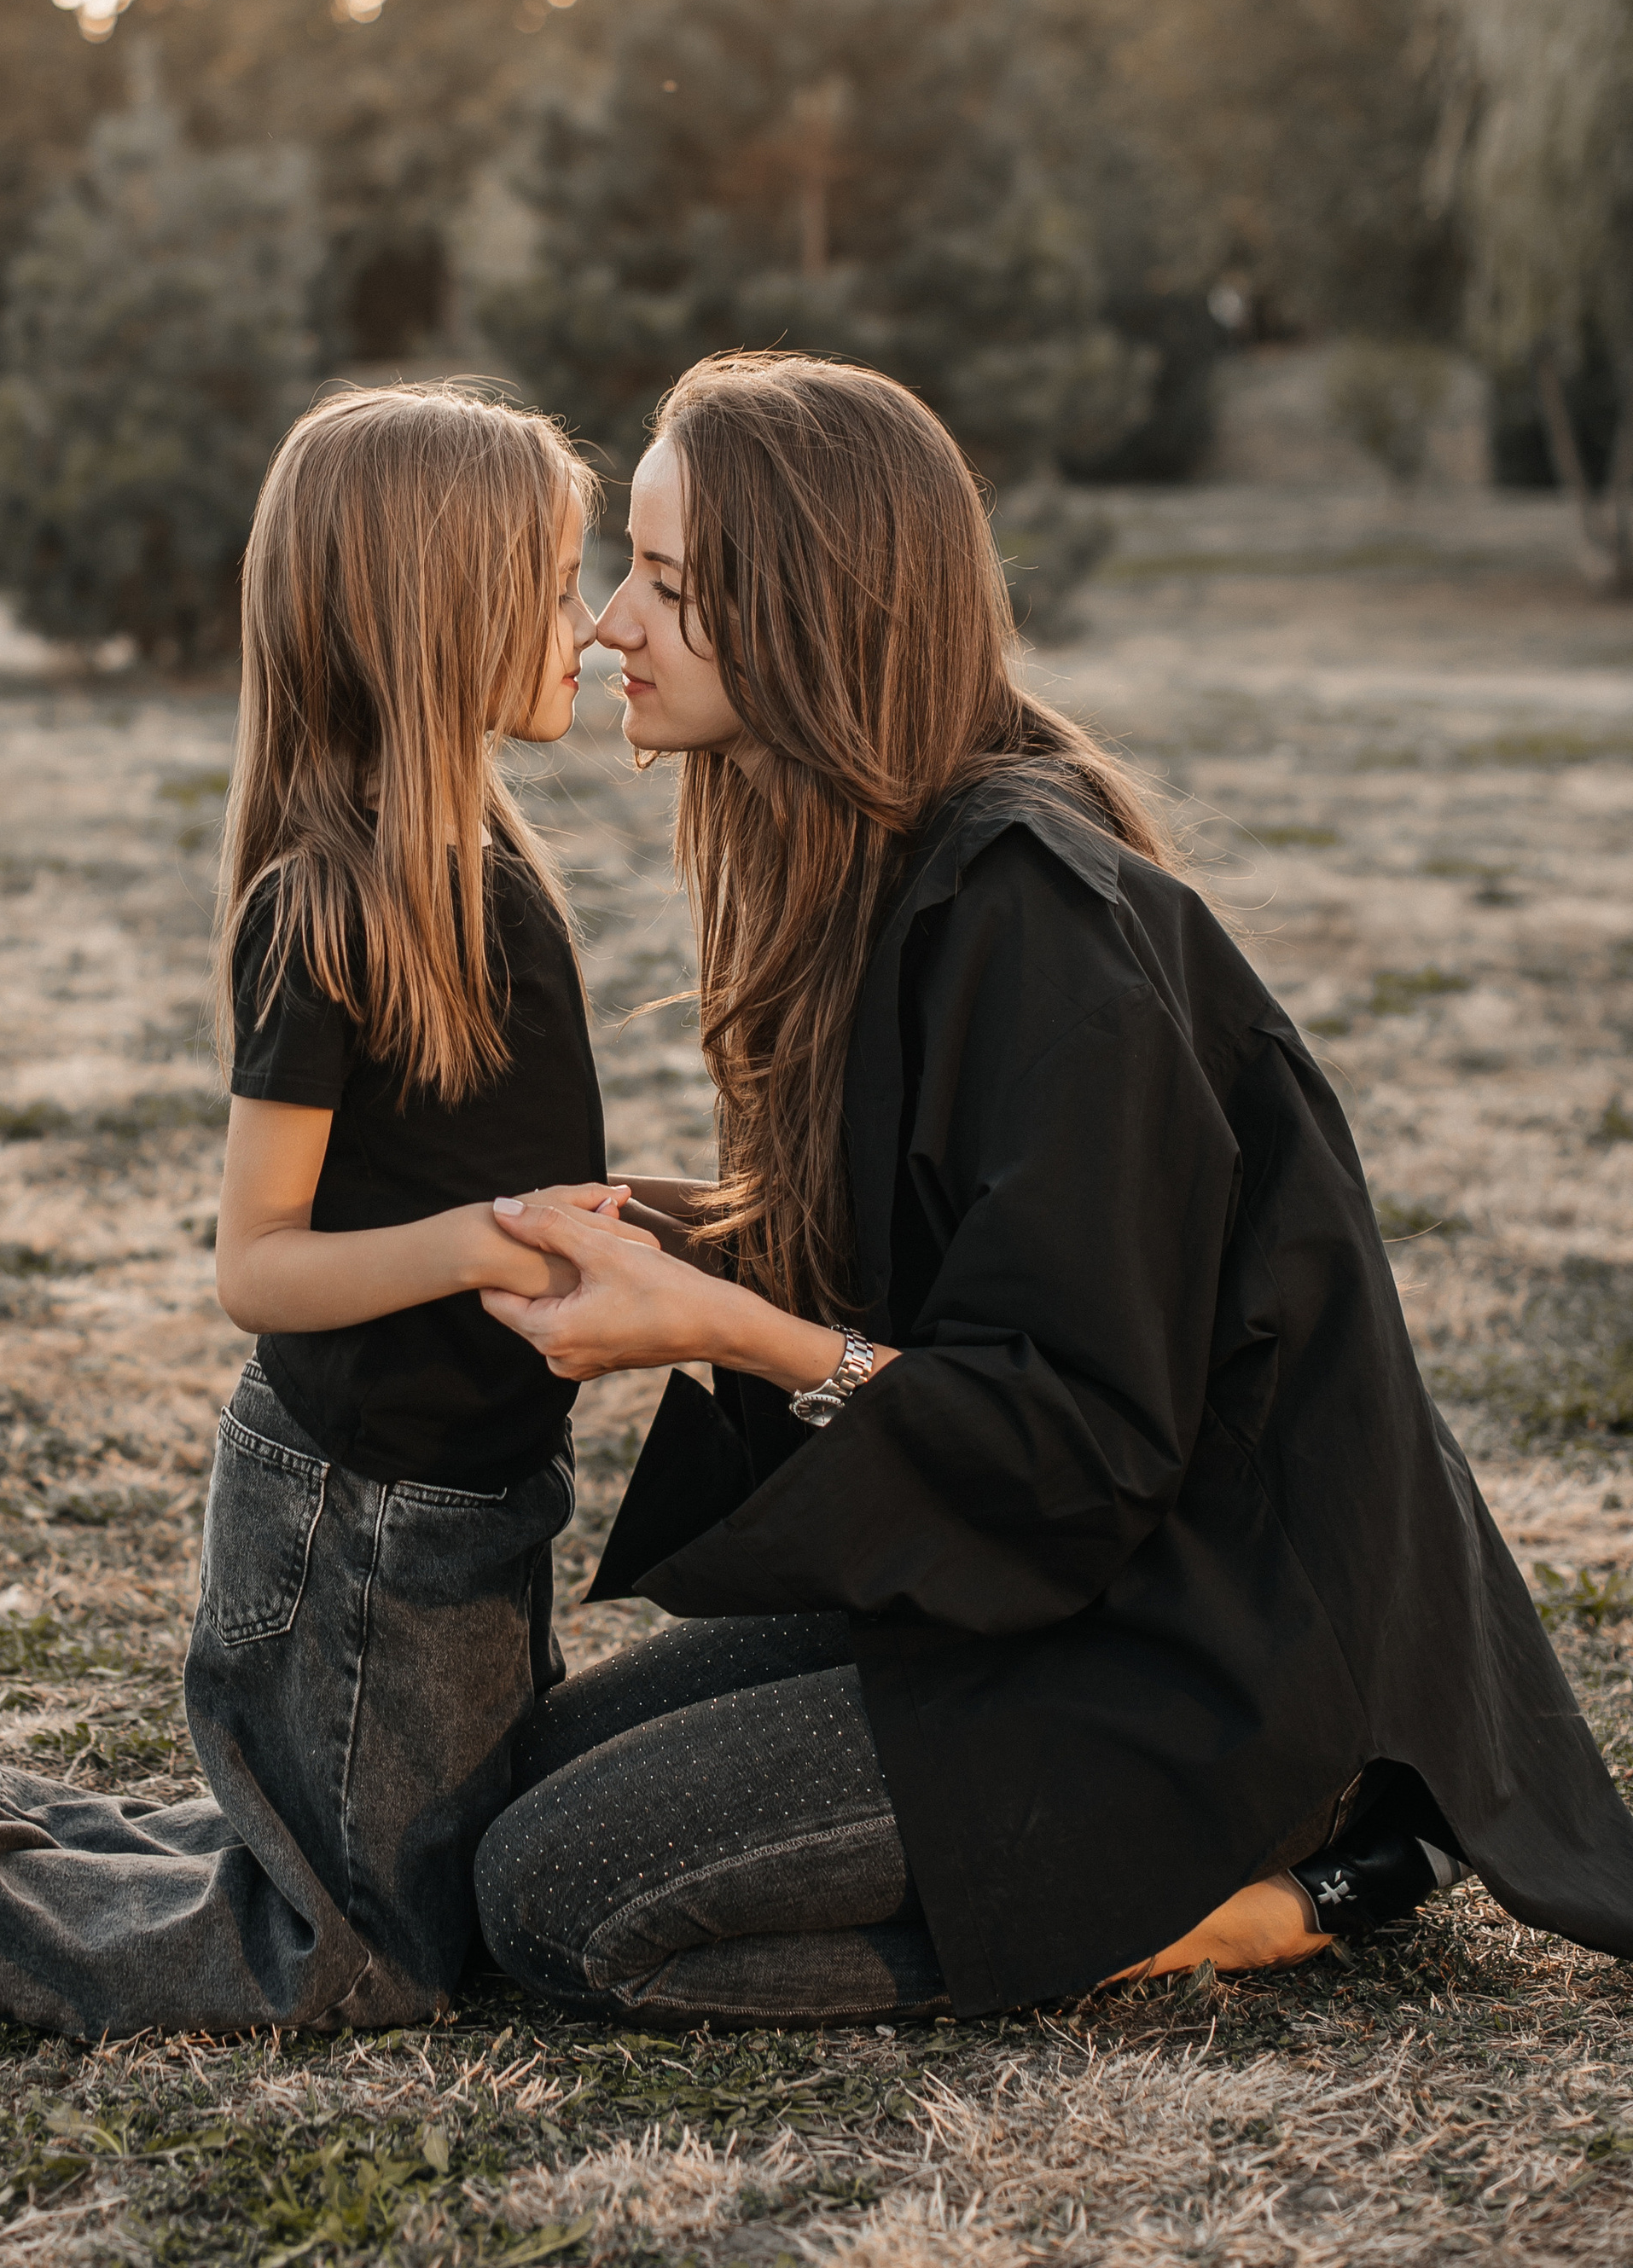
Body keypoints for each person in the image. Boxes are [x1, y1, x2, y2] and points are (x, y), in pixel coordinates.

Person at [469, 350, 1633, 2027]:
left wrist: (718, 1320)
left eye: (660, 584)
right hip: (1032, 1588)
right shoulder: (864, 864)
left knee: (554, 1902)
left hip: (1198, 1655)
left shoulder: (1044, 917)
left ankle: (1273, 1893)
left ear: (805, 609)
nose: (601, 627)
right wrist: (632, 1230)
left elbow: (1080, 1440)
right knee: (513, 1796)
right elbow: (932, 1256)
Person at [0, 385, 625, 2044]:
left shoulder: (492, 878)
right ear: (435, 612)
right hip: (361, 1516)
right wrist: (480, 1245)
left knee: (414, 1888)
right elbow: (258, 1265)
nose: (583, 629)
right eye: (553, 585)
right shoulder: (329, 904)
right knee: (360, 1961)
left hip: (478, 1497)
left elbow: (494, 1185)